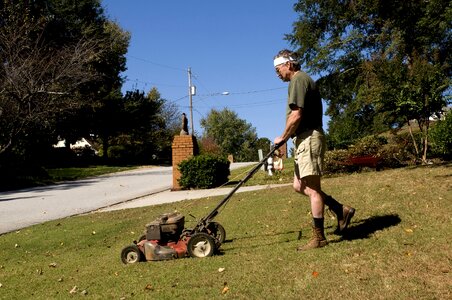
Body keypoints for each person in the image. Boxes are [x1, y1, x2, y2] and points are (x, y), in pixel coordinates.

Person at [272, 49, 355, 251]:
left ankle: (319, 237)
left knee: (314, 190)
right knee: (298, 185)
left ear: (289, 64)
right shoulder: (299, 81)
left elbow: (296, 114)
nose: (277, 73)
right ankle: (339, 209)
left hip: (309, 138)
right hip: (303, 139)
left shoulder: (298, 80)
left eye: (278, 68)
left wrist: (282, 138)